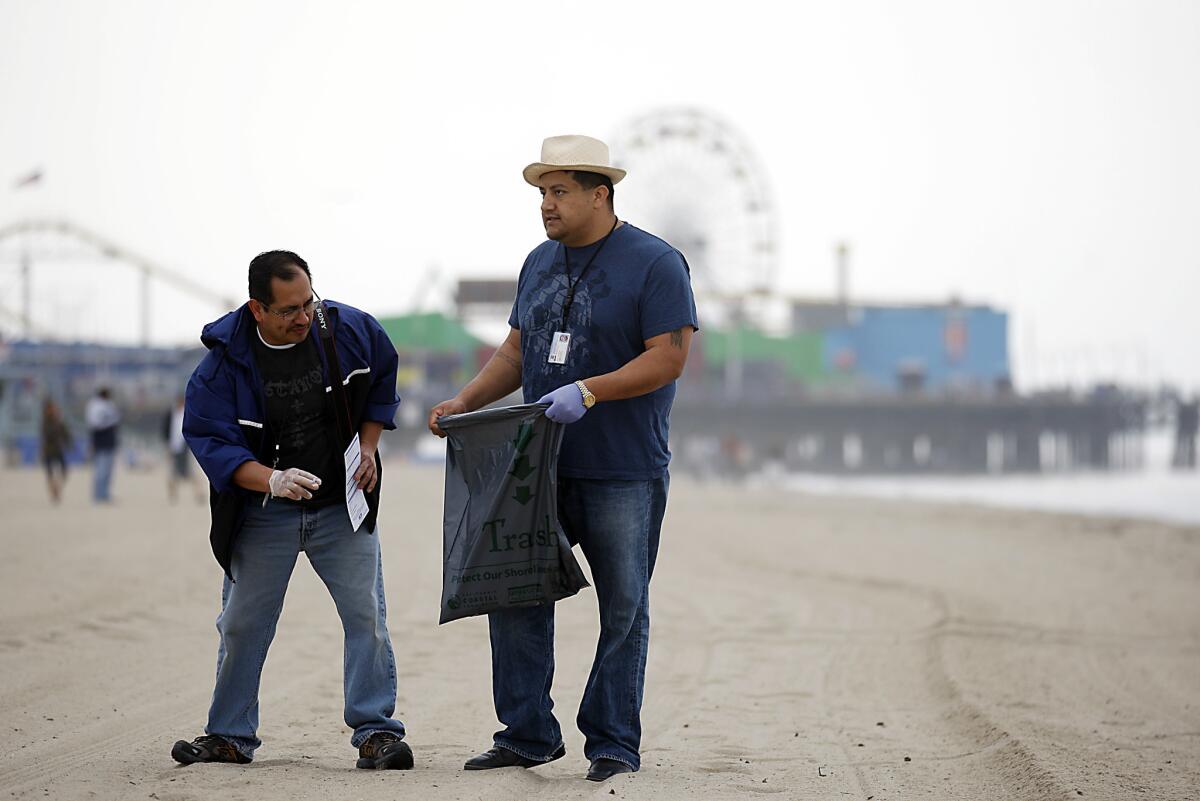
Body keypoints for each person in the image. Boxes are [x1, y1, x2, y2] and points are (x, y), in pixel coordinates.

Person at [428, 135, 698, 782]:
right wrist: (464, 400)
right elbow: (518, 352)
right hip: (536, 464)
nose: (546, 205)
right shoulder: (538, 262)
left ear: (599, 193)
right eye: (541, 193)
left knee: (624, 605)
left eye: (559, 192)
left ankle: (612, 741)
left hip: (623, 467)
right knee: (514, 592)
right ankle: (527, 733)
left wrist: (591, 389)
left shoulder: (657, 263)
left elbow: (669, 355)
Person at [172, 250, 413, 771]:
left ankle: (376, 732)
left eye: (308, 302)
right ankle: (229, 736)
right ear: (257, 309)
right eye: (288, 310)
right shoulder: (219, 368)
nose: (303, 317)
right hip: (263, 512)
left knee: (367, 617)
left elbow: (382, 384)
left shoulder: (348, 329)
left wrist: (368, 449)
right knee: (241, 623)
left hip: (339, 508)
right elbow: (215, 446)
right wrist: (273, 480)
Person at [162, 394, 203, 503]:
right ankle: (173, 496)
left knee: (192, 472)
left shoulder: (189, 413)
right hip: (173, 446)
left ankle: (198, 494)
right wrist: (167, 445)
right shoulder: (170, 413)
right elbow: (165, 430)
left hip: (188, 448)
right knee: (172, 473)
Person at [85, 387, 119, 503]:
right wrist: (109, 422)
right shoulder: (96, 406)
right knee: (101, 470)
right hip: (101, 441)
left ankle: (103, 494)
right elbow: (95, 424)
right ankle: (98, 495)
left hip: (107, 441)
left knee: (107, 471)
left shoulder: (107, 405)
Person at [40, 398, 71, 504]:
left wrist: (68, 442)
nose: (55, 410)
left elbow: (65, 433)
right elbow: (47, 434)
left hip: (58, 449)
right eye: (52, 408)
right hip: (48, 450)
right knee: (50, 473)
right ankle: (54, 492)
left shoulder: (58, 420)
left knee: (64, 471)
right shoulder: (45, 421)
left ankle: (57, 488)